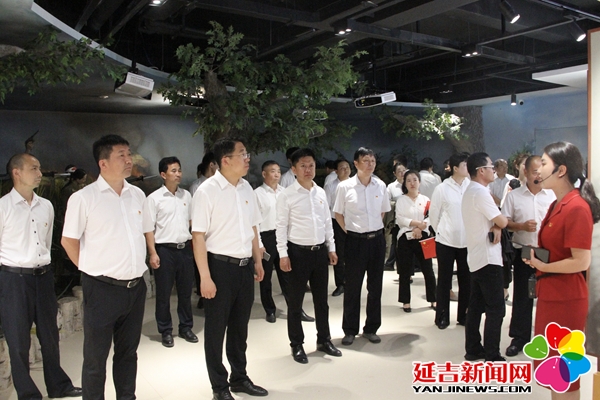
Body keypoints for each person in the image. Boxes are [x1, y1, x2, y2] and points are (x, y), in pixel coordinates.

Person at [62, 135, 148, 399]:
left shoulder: (137, 195)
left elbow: (144, 232)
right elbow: (68, 241)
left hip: (135, 287)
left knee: (128, 353)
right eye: (121, 155)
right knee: (95, 358)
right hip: (102, 288)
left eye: (129, 153)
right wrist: (90, 269)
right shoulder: (84, 198)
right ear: (103, 163)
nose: (128, 159)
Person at [0, 154, 82, 400]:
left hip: (43, 276)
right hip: (14, 279)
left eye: (39, 168)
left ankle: (58, 386)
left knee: (50, 335)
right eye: (33, 168)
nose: (39, 173)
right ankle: (27, 394)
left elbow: (45, 243)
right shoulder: (3, 207)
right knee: (18, 340)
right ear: (17, 172)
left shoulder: (46, 205)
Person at [191, 138, 268, 400]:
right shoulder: (207, 191)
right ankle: (219, 387)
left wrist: (257, 260)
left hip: (244, 267)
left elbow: (253, 226)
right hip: (219, 267)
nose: (247, 158)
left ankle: (239, 378)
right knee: (216, 330)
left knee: (239, 328)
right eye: (242, 154)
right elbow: (198, 236)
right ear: (226, 160)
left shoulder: (246, 188)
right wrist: (205, 277)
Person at [523, 142, 600, 400]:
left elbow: (581, 261)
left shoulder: (576, 207)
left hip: (566, 299)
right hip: (552, 294)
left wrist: (545, 266)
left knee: (564, 375)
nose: (538, 169)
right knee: (554, 372)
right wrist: (540, 260)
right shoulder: (558, 204)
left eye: (544, 163)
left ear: (561, 170)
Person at [276, 148, 340, 364]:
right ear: (294, 169)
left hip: (319, 252)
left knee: (322, 301)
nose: (308, 169)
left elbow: (327, 222)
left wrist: (331, 248)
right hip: (297, 253)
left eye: (311, 165)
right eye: (302, 166)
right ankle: (297, 344)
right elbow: (281, 226)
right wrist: (283, 254)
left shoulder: (320, 192)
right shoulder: (286, 195)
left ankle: (324, 339)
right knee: (295, 303)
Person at [334, 147, 391, 346]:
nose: (370, 164)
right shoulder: (345, 187)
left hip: (376, 240)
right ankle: (350, 330)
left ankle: (371, 328)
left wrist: (371, 229)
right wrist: (352, 231)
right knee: (352, 286)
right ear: (356, 164)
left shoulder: (380, 185)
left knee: (375, 287)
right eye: (365, 160)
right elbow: (338, 214)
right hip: (355, 241)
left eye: (372, 160)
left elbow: (383, 212)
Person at [502, 155, 555, 357]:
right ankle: (519, 337)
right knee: (523, 296)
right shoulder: (514, 196)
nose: (538, 176)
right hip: (523, 250)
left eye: (541, 172)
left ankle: (549, 337)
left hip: (548, 252)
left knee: (549, 296)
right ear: (525, 172)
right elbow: (505, 223)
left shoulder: (552, 195)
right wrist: (521, 226)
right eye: (534, 172)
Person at [142, 157, 197, 348]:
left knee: (185, 292)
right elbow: (148, 229)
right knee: (164, 294)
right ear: (163, 174)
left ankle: (186, 327)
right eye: (173, 171)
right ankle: (165, 330)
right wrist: (152, 253)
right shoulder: (154, 199)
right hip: (164, 250)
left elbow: (191, 221)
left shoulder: (186, 196)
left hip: (185, 249)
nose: (178, 174)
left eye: (179, 170)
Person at [461, 152, 508, 362]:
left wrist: (496, 224)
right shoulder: (480, 192)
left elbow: (495, 221)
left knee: (476, 306)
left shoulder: (470, 191)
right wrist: (499, 224)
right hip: (488, 258)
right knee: (496, 308)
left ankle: (473, 348)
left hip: (476, 256)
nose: (493, 170)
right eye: (490, 167)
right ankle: (492, 353)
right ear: (481, 171)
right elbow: (502, 221)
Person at [254, 161, 313, 323]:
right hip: (266, 237)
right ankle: (270, 310)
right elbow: (254, 222)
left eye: (279, 171)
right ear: (264, 174)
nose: (277, 174)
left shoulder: (285, 192)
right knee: (266, 277)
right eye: (273, 171)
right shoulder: (257, 194)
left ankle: (296, 310)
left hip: (283, 236)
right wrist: (259, 244)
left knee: (288, 275)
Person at [429, 153, 470, 329]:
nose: (468, 168)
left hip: (467, 241)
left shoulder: (471, 186)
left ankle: (464, 315)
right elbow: (434, 215)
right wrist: (441, 230)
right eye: (465, 165)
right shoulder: (442, 188)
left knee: (466, 279)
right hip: (446, 240)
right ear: (455, 168)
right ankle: (442, 316)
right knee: (444, 280)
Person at [394, 170, 436, 312]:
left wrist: (420, 228)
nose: (412, 183)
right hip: (405, 237)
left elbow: (431, 216)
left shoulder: (425, 199)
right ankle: (406, 301)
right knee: (405, 271)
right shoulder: (401, 200)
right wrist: (417, 224)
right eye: (408, 180)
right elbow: (400, 219)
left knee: (428, 270)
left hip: (424, 237)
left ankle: (433, 298)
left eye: (415, 180)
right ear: (405, 183)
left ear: (419, 182)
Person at [324, 159, 351, 296]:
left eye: (347, 167)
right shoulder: (330, 186)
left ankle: (351, 282)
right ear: (336, 171)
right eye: (342, 168)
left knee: (353, 254)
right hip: (336, 223)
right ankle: (340, 284)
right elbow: (326, 207)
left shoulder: (356, 185)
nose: (345, 170)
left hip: (353, 223)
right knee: (338, 253)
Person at [384, 162, 408, 272]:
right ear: (394, 173)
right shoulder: (391, 187)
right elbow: (387, 202)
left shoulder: (410, 184)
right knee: (396, 242)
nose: (402, 173)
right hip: (396, 219)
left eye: (404, 170)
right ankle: (391, 264)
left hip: (410, 219)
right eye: (399, 171)